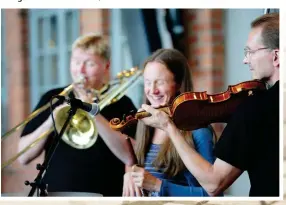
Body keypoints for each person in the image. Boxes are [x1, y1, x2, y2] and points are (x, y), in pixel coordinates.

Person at [139, 13, 279, 197]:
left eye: (250, 52)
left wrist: (168, 126)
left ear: (276, 56)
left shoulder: (254, 108)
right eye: (148, 82)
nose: (245, 60)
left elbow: (214, 185)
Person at [18, 34, 137, 196]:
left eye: (89, 63)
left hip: (106, 197)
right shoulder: (52, 98)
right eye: (76, 62)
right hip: (57, 197)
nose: (80, 70)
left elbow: (131, 157)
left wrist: (92, 112)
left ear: (106, 66)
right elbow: (23, 157)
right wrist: (50, 121)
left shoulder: (122, 103)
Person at [121, 48, 221, 197]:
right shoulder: (144, 125)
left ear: (179, 84)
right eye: (148, 83)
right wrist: (130, 176)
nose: (152, 90)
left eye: (160, 82)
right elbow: (138, 172)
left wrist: (158, 186)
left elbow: (214, 196)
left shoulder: (199, 131)